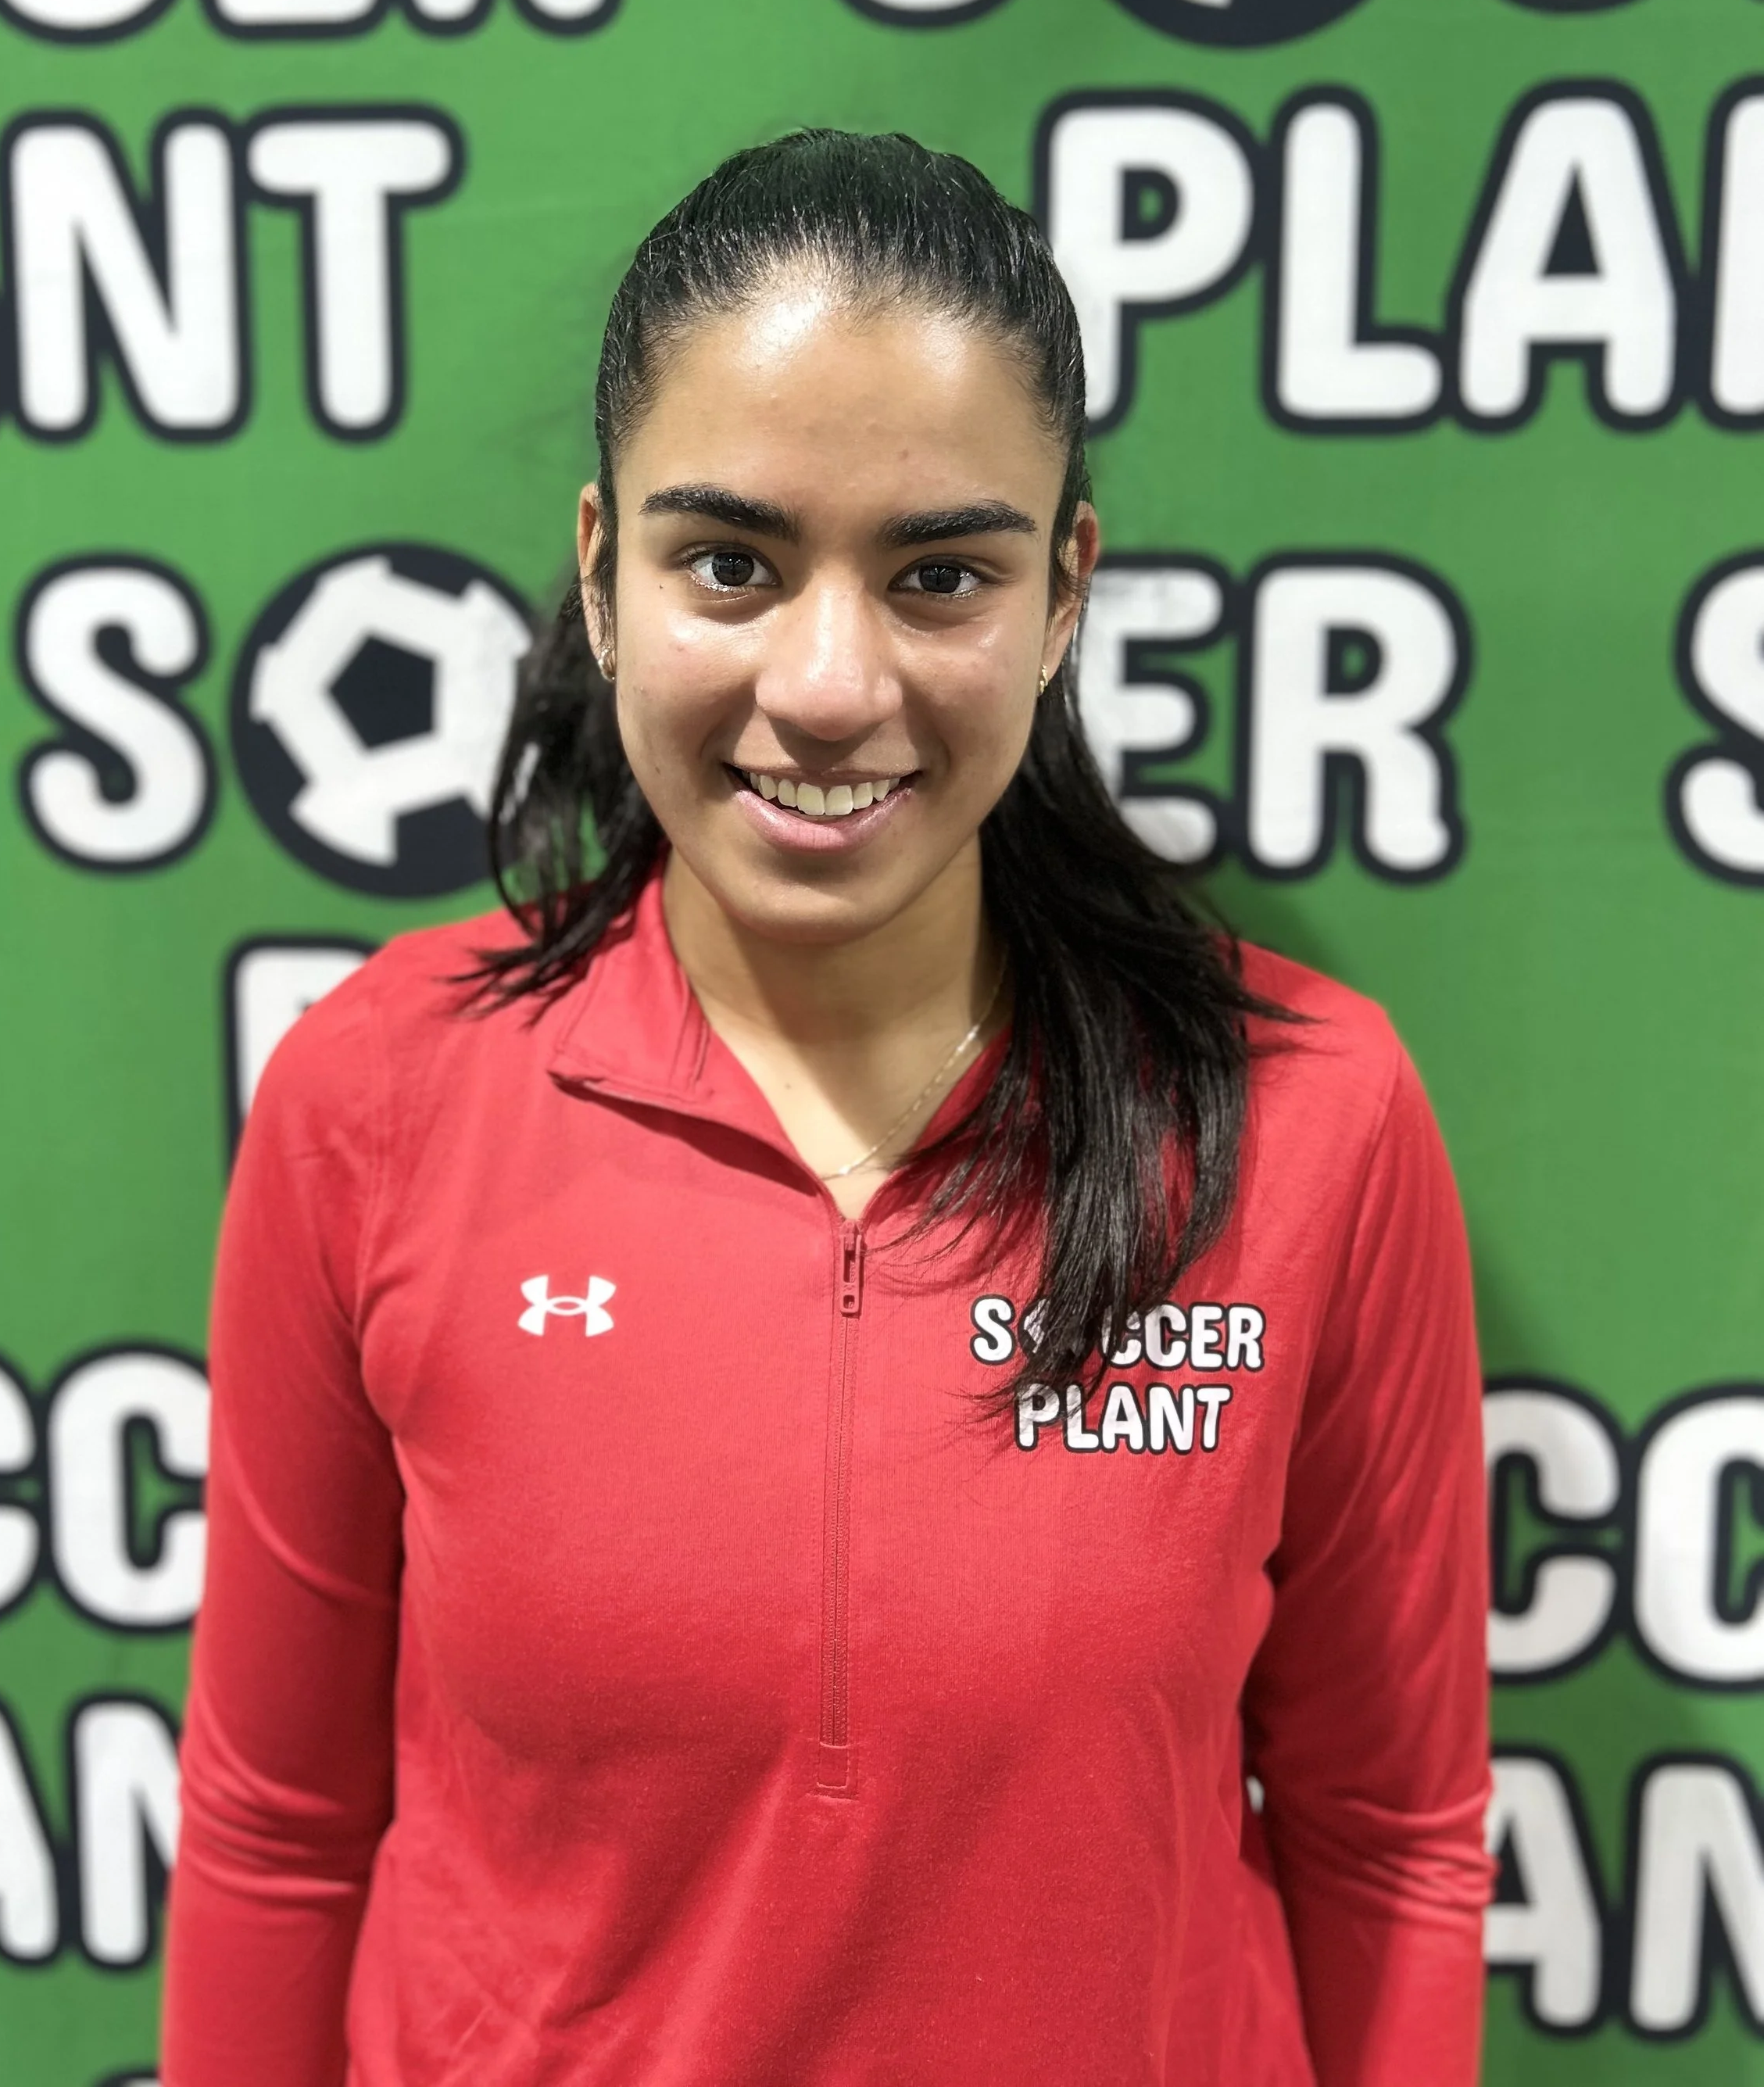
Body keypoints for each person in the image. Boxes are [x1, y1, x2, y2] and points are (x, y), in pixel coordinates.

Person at [162, 130, 1492, 2085]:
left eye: (938, 572)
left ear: (1060, 597)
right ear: (602, 574)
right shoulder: (379, 1092)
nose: (829, 681)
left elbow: (1388, 1839)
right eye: (731, 563)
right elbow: (276, 1830)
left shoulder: (1310, 1118)